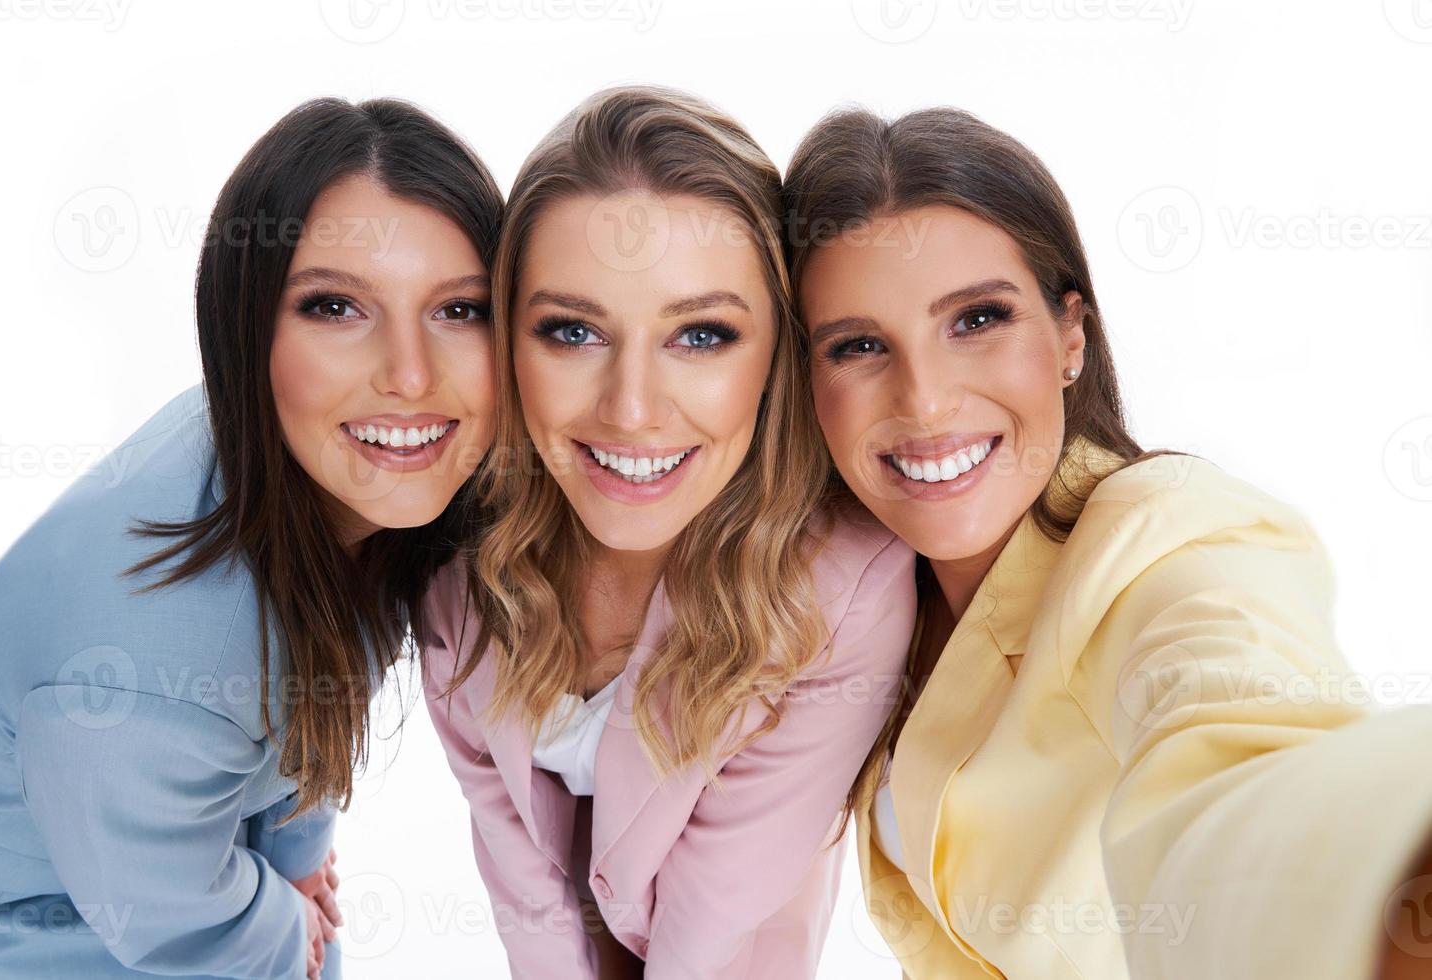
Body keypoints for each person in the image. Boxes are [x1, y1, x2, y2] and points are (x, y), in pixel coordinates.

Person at [784, 104, 1432, 979]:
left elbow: (1238, 739)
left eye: (976, 319)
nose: (926, 401)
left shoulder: (1170, 535)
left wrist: (1382, 873)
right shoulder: (866, 600)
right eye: (858, 345)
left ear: (1070, 335)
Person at [0, 97, 502, 979]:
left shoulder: (316, 469)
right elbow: (169, 920)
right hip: (24, 887)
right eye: (335, 307)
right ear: (244, 331)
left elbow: (317, 673)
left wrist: (293, 858)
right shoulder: (143, 679)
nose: (410, 377)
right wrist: (284, 928)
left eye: (459, 310)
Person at [418, 85, 916, 979]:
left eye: (701, 335)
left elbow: (709, 929)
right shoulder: (463, 574)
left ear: (778, 354)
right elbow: (528, 905)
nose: (632, 410)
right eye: (572, 331)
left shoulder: (846, 588)